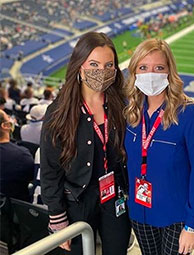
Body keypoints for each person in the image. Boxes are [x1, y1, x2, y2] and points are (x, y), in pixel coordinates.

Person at [40, 32, 131, 255]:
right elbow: (50, 171)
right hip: (77, 202)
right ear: (79, 65)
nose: (101, 71)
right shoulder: (59, 112)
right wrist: (57, 217)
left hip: (114, 196)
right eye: (94, 63)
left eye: (108, 65)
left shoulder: (121, 104)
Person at [124, 38, 194, 255]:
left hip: (176, 216)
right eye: (143, 68)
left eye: (158, 68)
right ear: (134, 72)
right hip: (140, 211)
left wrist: (193, 224)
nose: (150, 74)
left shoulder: (189, 114)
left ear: (169, 71)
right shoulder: (131, 111)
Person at [0, 109, 34, 202]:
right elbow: (32, 177)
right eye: (8, 118)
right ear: (5, 126)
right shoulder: (21, 155)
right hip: (13, 211)